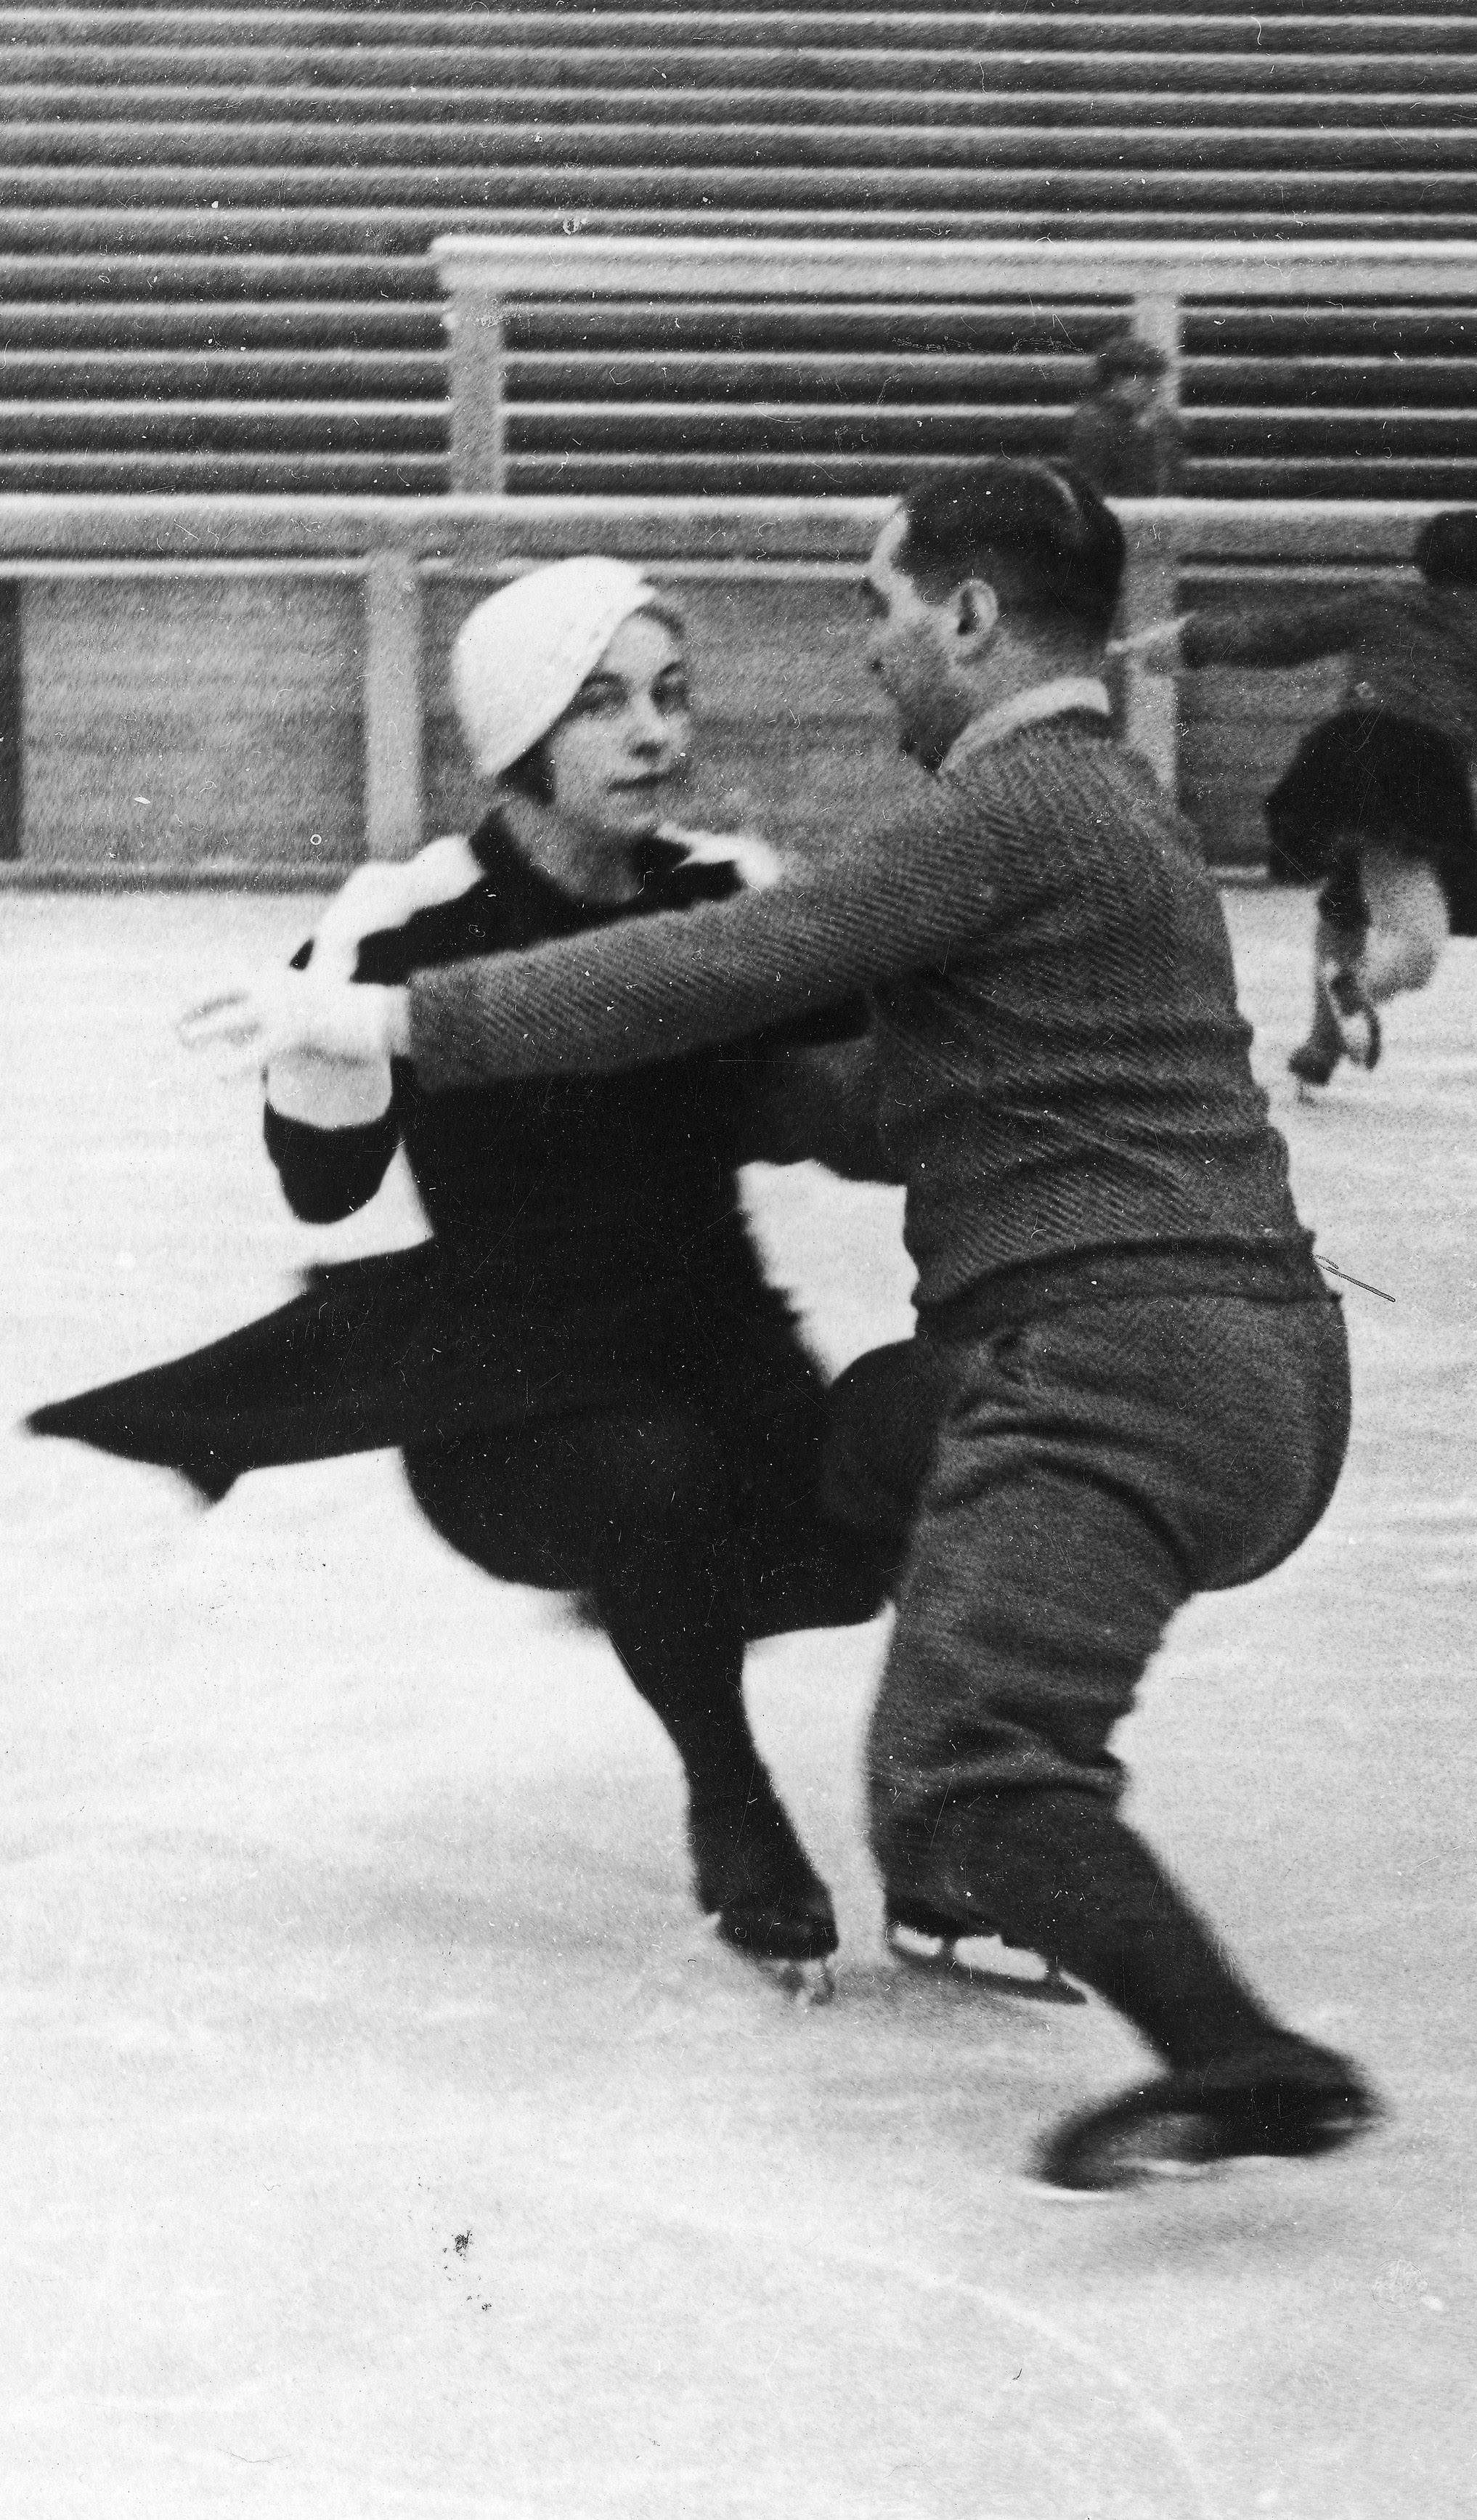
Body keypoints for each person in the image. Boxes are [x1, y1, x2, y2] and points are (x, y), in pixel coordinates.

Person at [184, 463, 1383, 2195]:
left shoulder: (1009, 807)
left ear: (969, 617)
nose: (867, 653)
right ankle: (970, 1862)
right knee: (893, 1425)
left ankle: (1234, 2046)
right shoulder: (1105, 809)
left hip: (1121, 1360)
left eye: (880, 612)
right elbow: (898, 1097)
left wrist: (380, 1009)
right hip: (1249, 1364)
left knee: (959, 1770)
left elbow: (729, 962)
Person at [30, 558, 898, 1999]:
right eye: (603, 703)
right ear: (517, 733)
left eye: (671, 696)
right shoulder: (411, 914)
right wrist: (326, 1043)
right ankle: (729, 1798)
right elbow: (327, 1187)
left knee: (849, 1548)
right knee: (650, 1477)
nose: (654, 737)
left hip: (719, 1350)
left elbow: (864, 1116)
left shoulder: (734, 899)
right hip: (509, 1399)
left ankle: (691, 1622)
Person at [1118, 508, 1477, 1086]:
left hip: (1341, 754)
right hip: (1417, 770)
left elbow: (1276, 637)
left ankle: (1321, 1044)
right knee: (1416, 943)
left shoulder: (1384, 603)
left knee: (1345, 897)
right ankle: (1355, 990)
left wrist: (1184, 641)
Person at [1064, 331, 1183, 499]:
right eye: (1145, 381)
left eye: (1155, 382)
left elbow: (1170, 481)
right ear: (1117, 380)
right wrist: (1139, 435)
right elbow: (1092, 486)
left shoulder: (1163, 422)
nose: (1154, 390)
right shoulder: (1092, 421)